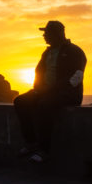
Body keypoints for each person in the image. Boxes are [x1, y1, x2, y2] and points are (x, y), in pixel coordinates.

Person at [13, 20, 86, 163]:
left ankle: (44, 150)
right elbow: (39, 72)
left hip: (67, 94)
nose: (44, 36)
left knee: (44, 105)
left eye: (47, 33)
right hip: (45, 91)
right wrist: (37, 88)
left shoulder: (75, 51)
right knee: (20, 101)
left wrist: (52, 90)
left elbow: (75, 78)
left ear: (57, 34)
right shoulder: (47, 53)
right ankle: (31, 143)